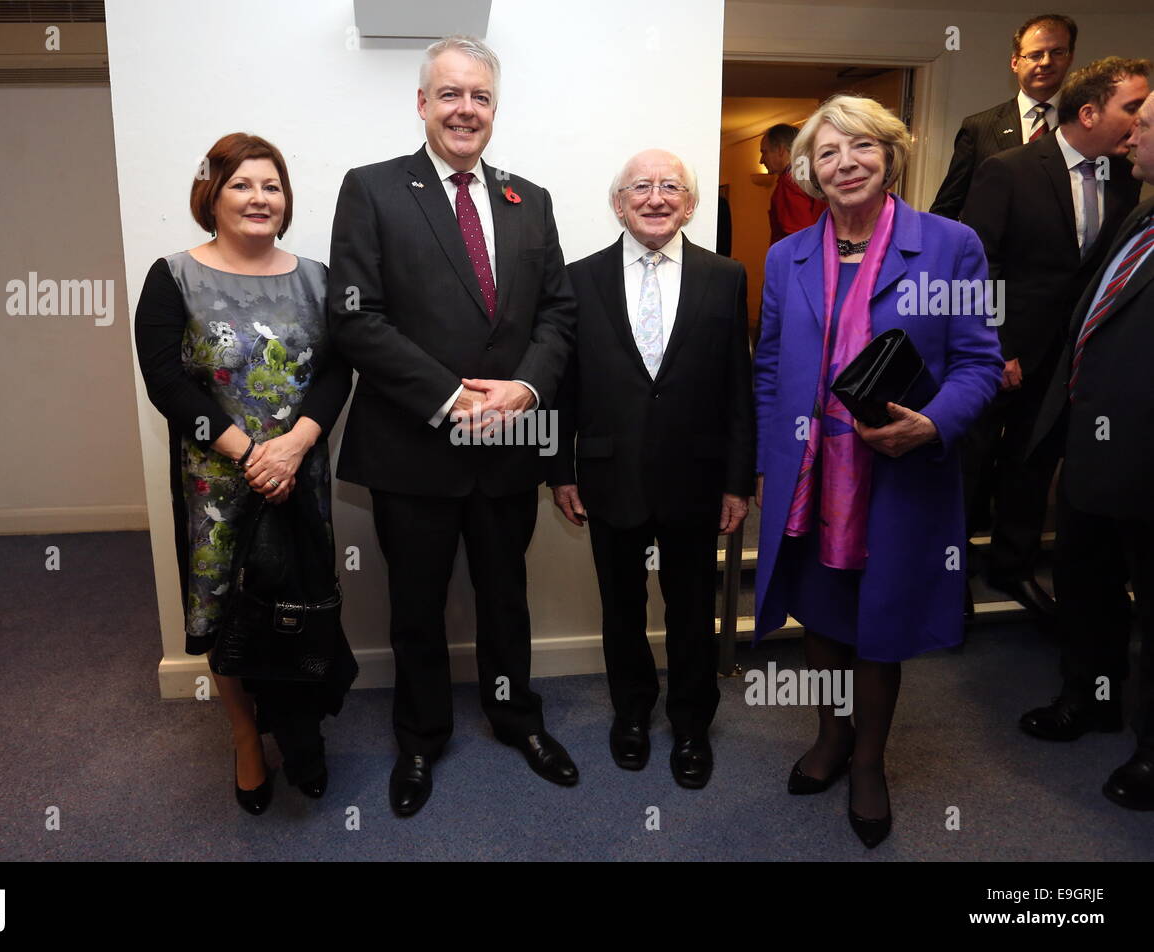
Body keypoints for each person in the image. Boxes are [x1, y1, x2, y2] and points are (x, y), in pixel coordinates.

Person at [327, 35, 579, 818]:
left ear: (494, 110)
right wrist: (452, 397)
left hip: (508, 443)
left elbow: (558, 314)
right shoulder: (371, 189)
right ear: (423, 104)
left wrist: (526, 391)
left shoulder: (528, 199)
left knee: (508, 595)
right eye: (451, 94)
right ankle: (421, 737)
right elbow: (355, 319)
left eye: (480, 97)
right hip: (415, 444)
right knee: (415, 606)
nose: (465, 109)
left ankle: (515, 718)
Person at [752, 95, 1002, 847]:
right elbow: (769, 367)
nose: (845, 163)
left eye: (860, 146)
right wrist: (770, 462)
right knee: (821, 616)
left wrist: (933, 423)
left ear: (889, 154)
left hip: (898, 473)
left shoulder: (954, 244)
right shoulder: (784, 255)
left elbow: (979, 363)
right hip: (811, 475)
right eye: (827, 154)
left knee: (879, 621)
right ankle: (830, 737)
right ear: (810, 172)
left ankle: (868, 760)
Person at [135, 133, 355, 815]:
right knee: (228, 612)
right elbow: (167, 382)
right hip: (218, 488)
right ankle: (244, 738)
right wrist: (250, 453)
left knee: (296, 604)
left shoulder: (319, 279)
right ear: (212, 195)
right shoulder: (173, 276)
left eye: (272, 186)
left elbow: (338, 371)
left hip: (300, 477)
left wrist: (293, 447)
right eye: (242, 185)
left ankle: (301, 732)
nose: (260, 198)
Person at [549, 150, 754, 789]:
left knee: (693, 610)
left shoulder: (726, 277)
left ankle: (692, 724)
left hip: (696, 478)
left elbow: (737, 387)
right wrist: (560, 471)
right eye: (641, 186)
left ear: (690, 205)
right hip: (608, 476)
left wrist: (737, 480)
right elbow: (561, 387)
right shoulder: (578, 279)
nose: (656, 197)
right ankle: (632, 713)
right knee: (621, 608)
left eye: (671, 187)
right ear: (619, 203)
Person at [961, 57, 1148, 620]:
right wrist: (997, 345)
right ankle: (949, 575)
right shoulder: (1009, 168)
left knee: (1033, 460)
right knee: (971, 461)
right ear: (1090, 113)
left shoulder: (1126, 179)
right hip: (1000, 352)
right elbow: (975, 263)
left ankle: (1012, 567)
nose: (1138, 123)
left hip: (1067, 356)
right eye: (1133, 108)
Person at [1019, 90, 1154, 810]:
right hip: (1094, 455)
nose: (1132, 135)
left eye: (1146, 124)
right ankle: (1091, 698)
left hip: (1145, 464)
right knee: (1088, 589)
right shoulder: (1141, 213)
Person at [930, 14, 1077, 220]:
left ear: (1070, 58)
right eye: (1035, 54)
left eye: (1057, 52)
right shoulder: (979, 128)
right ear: (1015, 62)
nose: (1046, 62)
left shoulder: (1085, 125)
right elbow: (946, 209)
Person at [761, 123, 827, 244]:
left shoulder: (790, 182)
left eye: (764, 152)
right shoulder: (814, 175)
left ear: (781, 150)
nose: (761, 160)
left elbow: (800, 235)